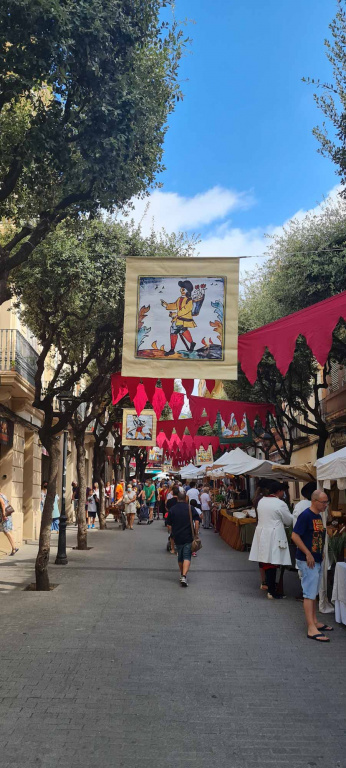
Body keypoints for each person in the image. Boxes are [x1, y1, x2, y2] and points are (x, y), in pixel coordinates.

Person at [291, 490, 332, 642]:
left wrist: (318, 552)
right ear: (314, 501)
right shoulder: (306, 515)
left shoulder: (317, 516)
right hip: (307, 561)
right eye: (323, 502)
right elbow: (295, 535)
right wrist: (308, 553)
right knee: (309, 593)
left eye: (326, 502)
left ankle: (314, 621)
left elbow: (316, 537)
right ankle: (311, 628)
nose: (325, 505)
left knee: (313, 591)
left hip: (316, 559)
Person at [249, 480, 293, 599]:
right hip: (274, 534)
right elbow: (289, 520)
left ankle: (270, 587)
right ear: (279, 491)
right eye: (283, 491)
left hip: (263, 533)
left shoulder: (262, 501)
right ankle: (272, 591)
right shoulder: (280, 504)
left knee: (267, 561)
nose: (283, 493)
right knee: (273, 561)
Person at [166, 489, 200, 587]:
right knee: (187, 556)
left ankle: (182, 574)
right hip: (188, 535)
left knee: (180, 557)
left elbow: (169, 525)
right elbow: (197, 521)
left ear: (177, 498)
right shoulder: (190, 508)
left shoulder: (172, 509)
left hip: (177, 536)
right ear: (186, 498)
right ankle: (184, 576)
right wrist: (196, 532)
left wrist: (172, 533)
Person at [161, 280, 197, 356]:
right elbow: (174, 305)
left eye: (183, 289)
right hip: (179, 319)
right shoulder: (180, 299)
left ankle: (173, 349)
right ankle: (191, 343)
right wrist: (167, 305)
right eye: (181, 288)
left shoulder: (189, 300)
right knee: (182, 331)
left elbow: (186, 310)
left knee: (174, 331)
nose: (181, 290)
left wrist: (176, 314)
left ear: (188, 290)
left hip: (184, 319)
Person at [252, 481, 271, 590]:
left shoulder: (257, 499)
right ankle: (267, 581)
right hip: (265, 528)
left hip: (259, 526)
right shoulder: (263, 500)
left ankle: (264, 580)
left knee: (262, 556)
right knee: (267, 557)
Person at [0, 491, 18, 556]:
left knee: (6, 531)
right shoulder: (3, 494)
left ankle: (14, 548)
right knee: (6, 532)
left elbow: (3, 504)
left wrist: (4, 515)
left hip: (4, 516)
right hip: (7, 515)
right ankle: (14, 547)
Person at [166, 484, 179, 553]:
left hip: (171, 516)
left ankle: (173, 548)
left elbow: (167, 507)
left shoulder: (169, 501)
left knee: (172, 533)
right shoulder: (180, 501)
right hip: (179, 517)